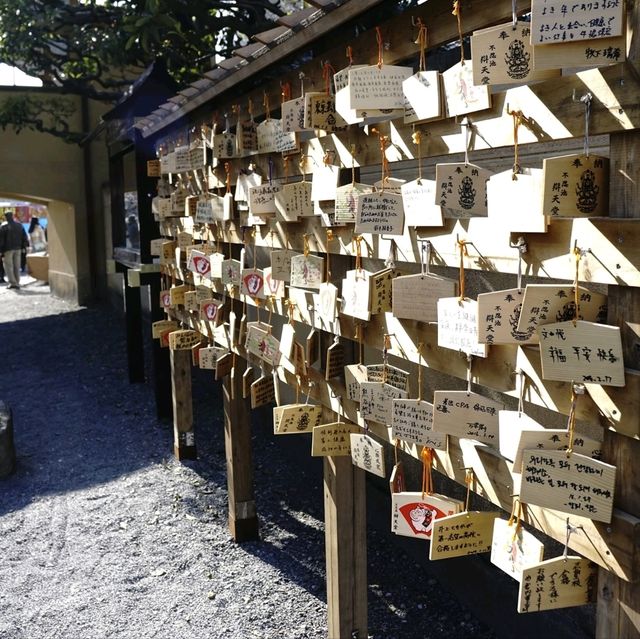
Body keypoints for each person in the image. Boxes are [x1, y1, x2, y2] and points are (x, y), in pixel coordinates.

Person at [0, 212, 29, 289]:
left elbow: (1, 240)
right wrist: (24, 247)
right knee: (17, 266)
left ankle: (13, 283)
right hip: (18, 248)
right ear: (12, 216)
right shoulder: (19, 225)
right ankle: (17, 281)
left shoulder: (3, 226)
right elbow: (24, 237)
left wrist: (1, 251)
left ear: (6, 217)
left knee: (8, 266)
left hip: (7, 249)